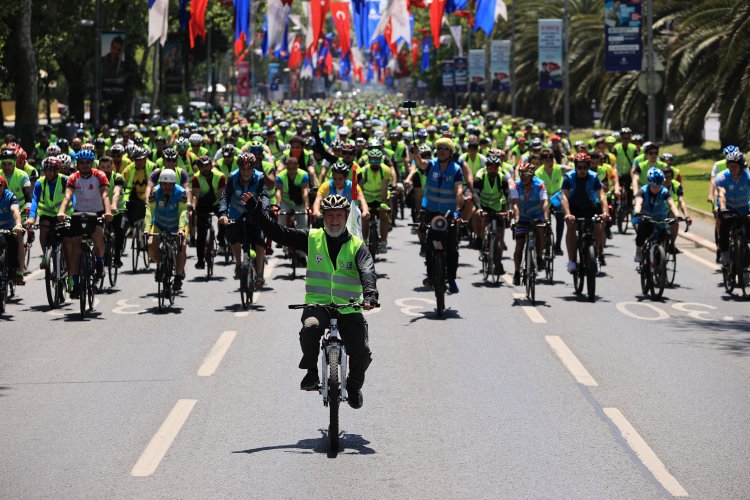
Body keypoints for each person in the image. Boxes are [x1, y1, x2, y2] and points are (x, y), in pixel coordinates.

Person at [243, 193, 377, 409]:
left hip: (349, 307)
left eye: (339, 215)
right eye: (330, 215)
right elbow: (279, 233)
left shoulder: (357, 246)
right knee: (310, 327)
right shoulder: (312, 238)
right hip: (318, 304)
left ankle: (353, 387)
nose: (334, 220)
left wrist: (370, 294)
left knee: (361, 353)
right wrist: (257, 212)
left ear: (346, 217)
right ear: (323, 217)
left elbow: (368, 272)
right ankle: (312, 371)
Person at [56, 149, 113, 299]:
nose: (85, 165)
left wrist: (108, 212)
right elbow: (67, 197)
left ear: (92, 163)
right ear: (78, 164)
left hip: (97, 212)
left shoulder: (99, 175)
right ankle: (75, 283)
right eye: (82, 163)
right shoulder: (73, 177)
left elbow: (105, 195)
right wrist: (62, 212)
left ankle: (100, 262)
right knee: (75, 247)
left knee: (97, 236)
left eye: (88, 162)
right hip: (79, 213)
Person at [411, 137, 464, 293]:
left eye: (445, 148)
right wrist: (416, 154)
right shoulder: (432, 164)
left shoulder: (456, 169)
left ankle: (452, 279)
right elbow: (421, 163)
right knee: (429, 244)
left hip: (449, 213)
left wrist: (458, 210)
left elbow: (459, 190)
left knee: (452, 249)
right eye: (439, 148)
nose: (441, 151)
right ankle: (431, 275)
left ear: (451, 152)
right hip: (431, 211)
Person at [218, 152, 273, 286]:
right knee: (233, 237)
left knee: (260, 243)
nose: (246, 172)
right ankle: (238, 264)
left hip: (254, 212)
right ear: (239, 168)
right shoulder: (232, 177)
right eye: (243, 169)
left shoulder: (259, 177)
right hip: (236, 212)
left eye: (249, 169)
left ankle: (260, 275)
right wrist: (223, 214)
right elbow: (225, 196)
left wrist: (264, 211)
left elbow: (264, 195)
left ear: (253, 168)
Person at [561, 153, 610, 272]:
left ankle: (597, 254)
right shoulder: (568, 177)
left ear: (589, 167)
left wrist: (605, 212)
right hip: (573, 207)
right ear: (575, 167)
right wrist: (568, 214)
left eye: (585, 167)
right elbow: (564, 197)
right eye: (579, 167)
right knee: (571, 227)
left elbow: (602, 196)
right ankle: (572, 260)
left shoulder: (594, 177)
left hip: (590, 206)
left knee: (598, 226)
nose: (582, 170)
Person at [146, 169, 188, 291]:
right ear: (160, 183)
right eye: (164, 184)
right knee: (150, 246)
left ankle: (179, 276)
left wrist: (181, 229)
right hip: (159, 224)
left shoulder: (181, 193)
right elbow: (150, 211)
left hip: (177, 225)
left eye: (170, 184)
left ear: (175, 184)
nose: (167, 187)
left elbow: (183, 212)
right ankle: (162, 264)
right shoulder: (155, 192)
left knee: (182, 246)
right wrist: (147, 228)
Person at [472, 151, 510, 273]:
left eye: (495, 168)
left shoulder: (502, 178)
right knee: (481, 217)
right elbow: (475, 194)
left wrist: (508, 209)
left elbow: (507, 194)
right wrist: (479, 208)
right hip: (483, 204)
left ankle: (498, 262)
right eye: (490, 168)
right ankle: (481, 240)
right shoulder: (480, 177)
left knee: (500, 231)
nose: (493, 170)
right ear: (487, 167)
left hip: (496, 205)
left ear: (498, 168)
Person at [510, 163, 549, 285]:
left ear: (532, 175)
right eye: (521, 174)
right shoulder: (516, 185)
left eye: (526, 174)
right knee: (519, 244)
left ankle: (538, 257)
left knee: (540, 231)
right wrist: (516, 219)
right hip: (522, 217)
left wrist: (546, 219)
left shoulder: (540, 185)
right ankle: (517, 272)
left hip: (537, 216)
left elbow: (545, 202)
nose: (523, 177)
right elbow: (515, 204)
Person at [632, 168, 681, 262]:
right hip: (644, 217)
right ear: (649, 183)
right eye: (654, 186)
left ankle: (659, 261)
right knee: (641, 235)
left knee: (663, 236)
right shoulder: (643, 191)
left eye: (659, 185)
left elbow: (672, 205)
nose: (657, 188)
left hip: (660, 218)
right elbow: (638, 202)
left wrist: (677, 215)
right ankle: (638, 251)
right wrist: (638, 212)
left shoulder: (664, 191)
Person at [191, 155, 226, 270]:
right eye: (202, 167)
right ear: (199, 168)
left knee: (224, 221)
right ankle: (200, 260)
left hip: (217, 202)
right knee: (200, 234)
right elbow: (195, 196)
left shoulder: (220, 176)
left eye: (207, 166)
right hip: (202, 204)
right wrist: (193, 207)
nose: (205, 169)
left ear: (211, 165)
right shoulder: (196, 178)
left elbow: (221, 194)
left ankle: (222, 241)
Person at [715, 151, 750, 266]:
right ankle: (724, 252)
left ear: (741, 166)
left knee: (746, 234)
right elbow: (721, 194)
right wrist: (723, 208)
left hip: (744, 208)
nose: (733, 168)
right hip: (728, 208)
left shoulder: (748, 176)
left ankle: (745, 256)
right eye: (730, 166)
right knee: (724, 227)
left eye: (735, 166)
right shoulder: (722, 177)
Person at [358, 148, 391, 253]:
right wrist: (361, 204)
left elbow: (384, 189)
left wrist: (383, 204)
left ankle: (383, 242)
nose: (375, 162)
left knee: (384, 215)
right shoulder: (363, 170)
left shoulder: (385, 170)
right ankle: (364, 241)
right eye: (372, 160)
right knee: (364, 218)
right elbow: (360, 189)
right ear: (369, 160)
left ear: (381, 160)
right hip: (366, 198)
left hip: (379, 197)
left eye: (377, 160)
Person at [0, 174, 26, 285]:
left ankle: (14, 270)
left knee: (14, 241)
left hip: (9, 227)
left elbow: (15, 210)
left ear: (4, 186)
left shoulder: (10, 196)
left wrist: (18, 224)